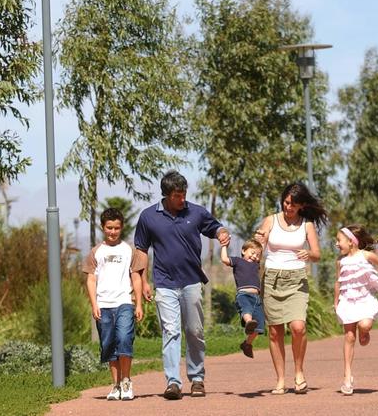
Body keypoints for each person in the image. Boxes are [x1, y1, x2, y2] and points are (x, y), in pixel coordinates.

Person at [134, 170, 230, 400]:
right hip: (165, 283)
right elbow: (141, 250)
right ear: (166, 195)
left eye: (184, 194)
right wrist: (143, 281)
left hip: (191, 282)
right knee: (171, 331)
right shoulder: (148, 217)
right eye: (177, 195)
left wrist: (222, 232)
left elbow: (214, 227)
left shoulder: (195, 212)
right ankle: (173, 382)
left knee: (194, 331)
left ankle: (197, 379)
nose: (182, 199)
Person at [254, 182, 327, 395]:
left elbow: (317, 254)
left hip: (296, 280)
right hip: (272, 279)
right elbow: (259, 244)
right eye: (286, 202)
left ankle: (299, 372)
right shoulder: (271, 220)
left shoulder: (307, 225)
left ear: (301, 206)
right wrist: (259, 239)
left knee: (298, 327)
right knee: (275, 332)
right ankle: (280, 380)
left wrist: (308, 254)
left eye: (293, 205)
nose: (288, 207)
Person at [83, 207, 146, 401]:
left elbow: (136, 277)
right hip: (103, 304)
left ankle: (126, 381)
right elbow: (91, 280)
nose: (112, 231)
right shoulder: (96, 252)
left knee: (124, 339)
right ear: (103, 227)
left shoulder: (129, 250)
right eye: (109, 228)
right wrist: (94, 304)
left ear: (122, 228)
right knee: (108, 344)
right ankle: (116, 385)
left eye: (116, 228)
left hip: (124, 302)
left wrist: (138, 304)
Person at [333, 224, 378, 395]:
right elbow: (338, 283)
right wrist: (336, 302)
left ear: (351, 242)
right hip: (347, 301)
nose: (336, 244)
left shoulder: (366, 255)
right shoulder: (340, 262)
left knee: (365, 325)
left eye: (339, 240)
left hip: (365, 300)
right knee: (349, 336)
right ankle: (347, 376)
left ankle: (364, 332)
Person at [219, 238, 265, 358]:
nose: (255, 256)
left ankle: (247, 344)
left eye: (258, 255)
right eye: (252, 252)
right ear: (243, 251)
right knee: (246, 310)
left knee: (259, 327)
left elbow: (262, 246)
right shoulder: (238, 261)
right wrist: (224, 246)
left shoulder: (256, 265)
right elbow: (224, 259)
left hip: (257, 298)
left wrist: (262, 241)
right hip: (243, 294)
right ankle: (249, 322)